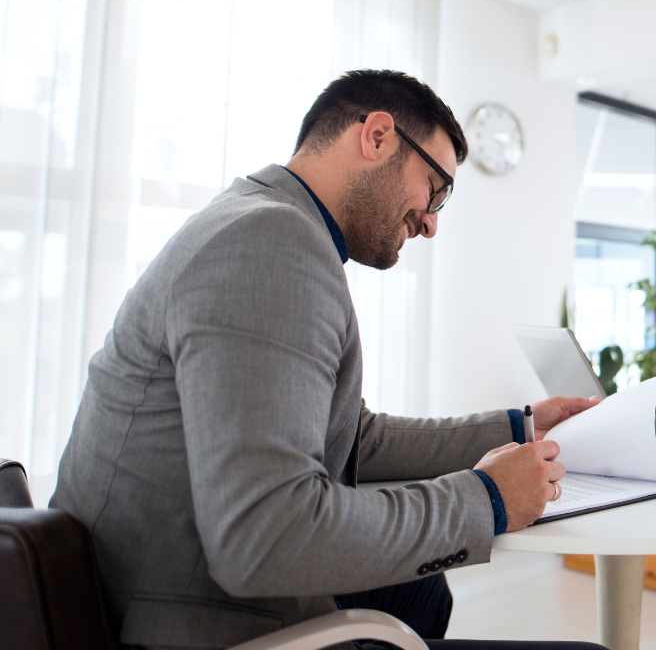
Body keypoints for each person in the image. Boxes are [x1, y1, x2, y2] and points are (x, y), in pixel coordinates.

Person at [51, 70, 604, 650]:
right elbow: (264, 536)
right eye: (435, 189)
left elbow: (352, 436)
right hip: (188, 620)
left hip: (147, 581)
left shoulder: (257, 218)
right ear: (378, 137)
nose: (432, 223)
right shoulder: (270, 244)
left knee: (422, 593)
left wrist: (520, 427)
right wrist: (486, 499)